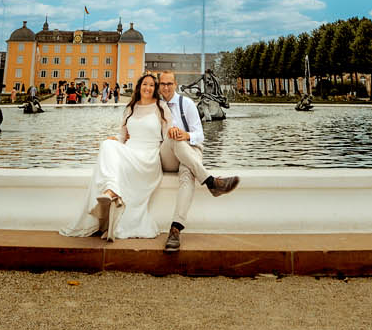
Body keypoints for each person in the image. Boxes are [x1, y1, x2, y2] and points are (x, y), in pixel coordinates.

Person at [60, 73, 169, 240]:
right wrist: (115, 140)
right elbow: (122, 136)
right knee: (107, 145)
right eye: (145, 84)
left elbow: (168, 136)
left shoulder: (161, 107)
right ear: (139, 86)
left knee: (110, 152)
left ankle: (111, 194)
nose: (148, 88)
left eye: (152, 85)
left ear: (155, 89)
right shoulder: (130, 108)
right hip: (130, 151)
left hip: (149, 156)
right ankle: (111, 191)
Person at [156, 71, 240, 253]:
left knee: (187, 174)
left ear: (175, 84)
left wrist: (186, 135)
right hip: (168, 155)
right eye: (163, 84)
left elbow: (199, 135)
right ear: (159, 85)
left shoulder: (186, 104)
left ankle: (175, 229)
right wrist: (176, 134)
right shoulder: (157, 106)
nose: (166, 87)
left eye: (169, 83)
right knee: (174, 137)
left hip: (189, 151)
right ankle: (212, 182)